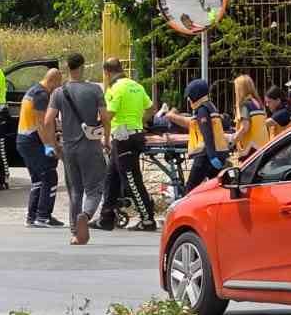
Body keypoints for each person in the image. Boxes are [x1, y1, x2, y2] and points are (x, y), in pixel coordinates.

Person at [43, 52, 111, 245]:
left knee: (75, 190)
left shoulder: (59, 92)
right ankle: (86, 214)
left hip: (69, 147)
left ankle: (75, 232)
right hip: (90, 146)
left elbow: (48, 120)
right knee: (95, 187)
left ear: (68, 68)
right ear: (82, 66)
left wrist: (54, 144)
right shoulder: (95, 90)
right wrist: (106, 139)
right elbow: (105, 118)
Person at [102, 58, 157, 231]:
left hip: (122, 138)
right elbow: (151, 109)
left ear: (107, 73)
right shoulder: (136, 86)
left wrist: (103, 136)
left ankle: (147, 219)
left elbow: (108, 116)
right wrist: (139, 122)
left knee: (132, 180)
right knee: (111, 177)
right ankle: (106, 217)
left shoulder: (115, 88)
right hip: (135, 134)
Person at [15, 67, 64, 228]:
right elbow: (42, 125)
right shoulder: (42, 95)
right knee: (49, 175)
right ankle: (43, 216)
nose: (59, 88)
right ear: (53, 80)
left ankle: (33, 216)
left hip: (25, 141)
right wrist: (51, 148)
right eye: (59, 83)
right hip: (33, 142)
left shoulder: (34, 90)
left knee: (38, 179)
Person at [169, 78, 226, 195]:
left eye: (189, 97)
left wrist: (211, 155)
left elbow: (207, 132)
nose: (189, 100)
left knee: (190, 189)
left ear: (195, 95)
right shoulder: (210, 106)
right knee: (217, 189)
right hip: (217, 153)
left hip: (205, 155)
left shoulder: (202, 110)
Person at [233, 74, 270, 162]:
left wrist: (232, 141)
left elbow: (245, 128)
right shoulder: (259, 104)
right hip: (263, 146)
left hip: (250, 150)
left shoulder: (245, 105)